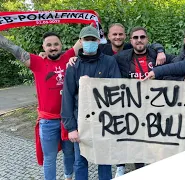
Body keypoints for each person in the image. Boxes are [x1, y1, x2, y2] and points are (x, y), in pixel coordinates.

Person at [0, 31, 81, 179]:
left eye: (56, 44)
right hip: (48, 122)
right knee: (49, 159)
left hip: (68, 120)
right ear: (43, 47)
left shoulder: (68, 57)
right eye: (49, 45)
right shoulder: (37, 62)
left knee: (70, 154)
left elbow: (83, 39)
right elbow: (15, 50)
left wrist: (94, 21)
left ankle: (68, 177)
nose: (53, 47)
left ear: (61, 45)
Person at [112, 26, 175, 177]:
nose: (139, 40)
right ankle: (140, 173)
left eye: (142, 37)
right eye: (135, 37)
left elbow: (183, 60)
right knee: (137, 142)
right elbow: (100, 61)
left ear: (147, 39)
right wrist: (73, 58)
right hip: (133, 107)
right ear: (130, 40)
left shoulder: (158, 55)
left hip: (156, 106)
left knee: (157, 142)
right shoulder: (121, 57)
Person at [61, 26, 121, 180]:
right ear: (80, 41)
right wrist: (71, 127)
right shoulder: (73, 66)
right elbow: (67, 97)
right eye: (86, 39)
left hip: (104, 121)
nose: (89, 42)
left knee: (104, 161)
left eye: (93, 39)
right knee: (80, 162)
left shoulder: (109, 62)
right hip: (81, 123)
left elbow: (117, 89)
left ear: (98, 41)